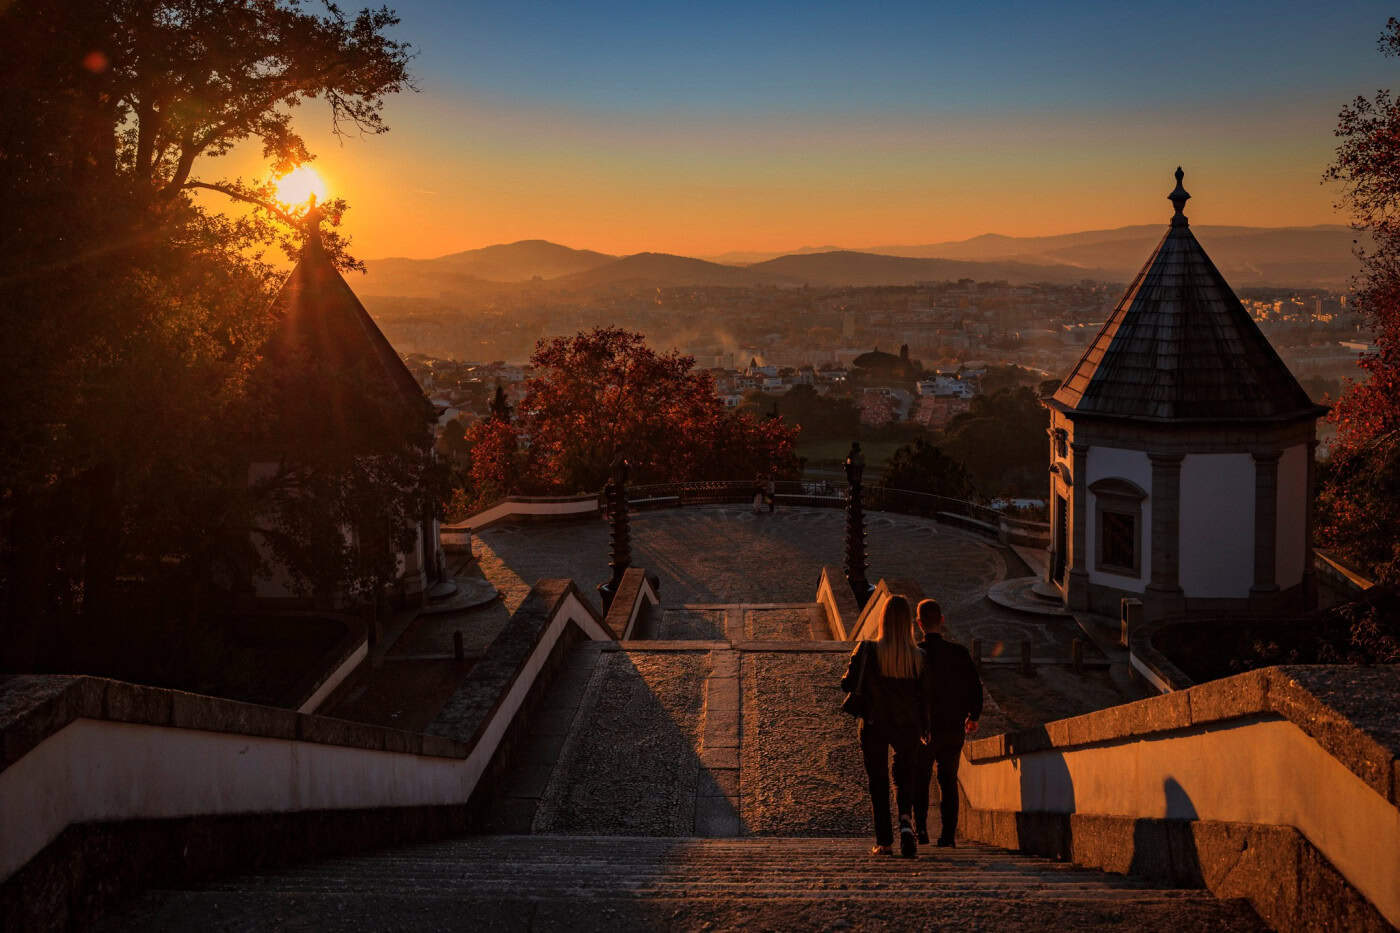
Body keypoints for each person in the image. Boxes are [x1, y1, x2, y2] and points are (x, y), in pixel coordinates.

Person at [840, 595, 928, 858]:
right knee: (904, 777)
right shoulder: (919, 657)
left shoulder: (868, 650)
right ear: (908, 623)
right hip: (908, 725)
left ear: (883, 620)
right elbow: (926, 696)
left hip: (875, 722)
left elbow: (847, 683)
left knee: (877, 781)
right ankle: (905, 823)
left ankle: (885, 842)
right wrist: (926, 725)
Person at [912, 598, 983, 847]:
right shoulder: (959, 653)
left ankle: (920, 829)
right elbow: (975, 687)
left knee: (920, 779)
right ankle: (948, 835)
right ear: (941, 620)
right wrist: (973, 717)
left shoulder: (916, 654)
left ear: (919, 623)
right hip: (953, 726)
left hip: (925, 729)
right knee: (948, 781)